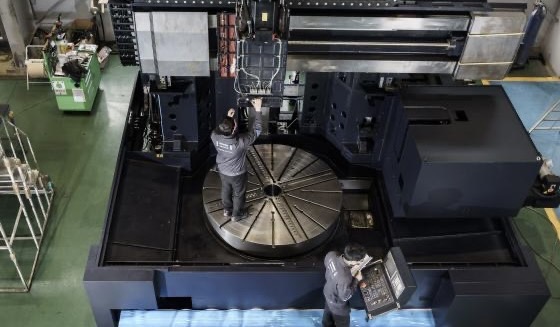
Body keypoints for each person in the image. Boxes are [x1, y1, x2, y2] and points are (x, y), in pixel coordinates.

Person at [211, 98, 262, 221]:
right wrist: (258, 110)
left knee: (226, 189)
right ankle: (237, 214)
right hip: (237, 174)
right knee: (239, 194)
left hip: (222, 170)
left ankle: (227, 210)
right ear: (234, 129)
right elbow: (257, 131)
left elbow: (219, 129)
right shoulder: (240, 143)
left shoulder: (214, 136)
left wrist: (228, 118)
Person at [322, 243, 367, 327]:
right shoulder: (345, 278)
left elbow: (327, 265)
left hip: (328, 293)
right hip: (338, 305)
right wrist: (357, 279)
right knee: (342, 323)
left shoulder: (331, 255)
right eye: (360, 261)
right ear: (353, 261)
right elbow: (345, 297)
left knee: (327, 320)